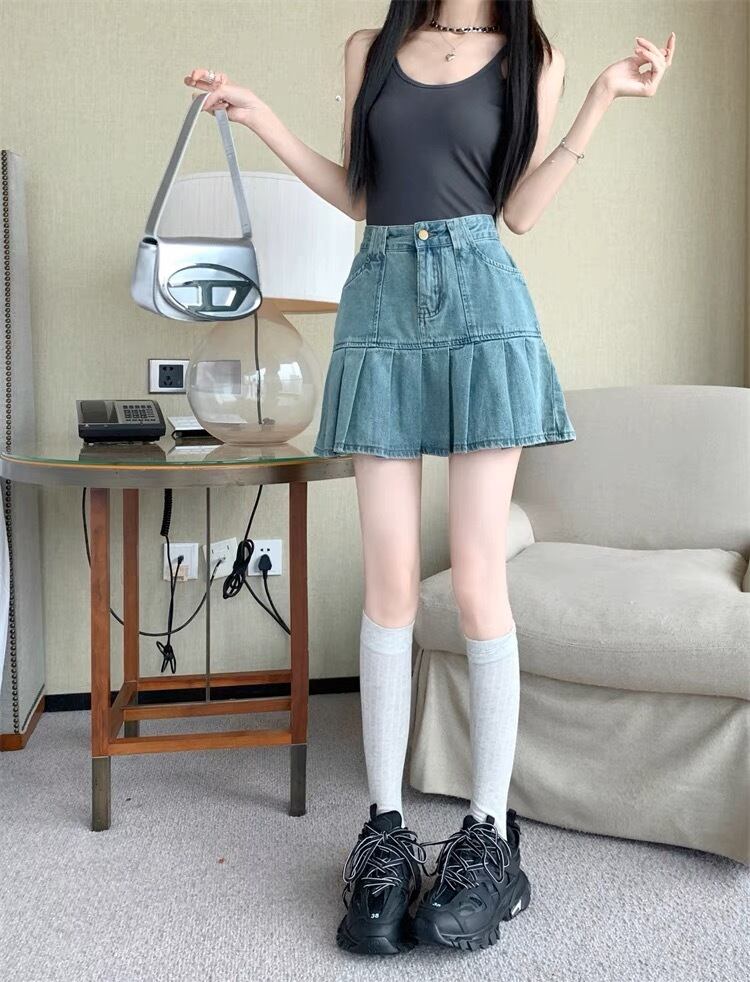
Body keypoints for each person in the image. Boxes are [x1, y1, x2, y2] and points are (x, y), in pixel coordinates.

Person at [184, 0, 675, 956]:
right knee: (389, 583)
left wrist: (603, 97)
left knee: (481, 577)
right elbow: (360, 194)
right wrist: (261, 115)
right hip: (378, 303)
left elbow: (518, 211)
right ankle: (384, 831)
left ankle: (488, 837)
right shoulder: (370, 48)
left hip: (484, 301)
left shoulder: (532, 56)